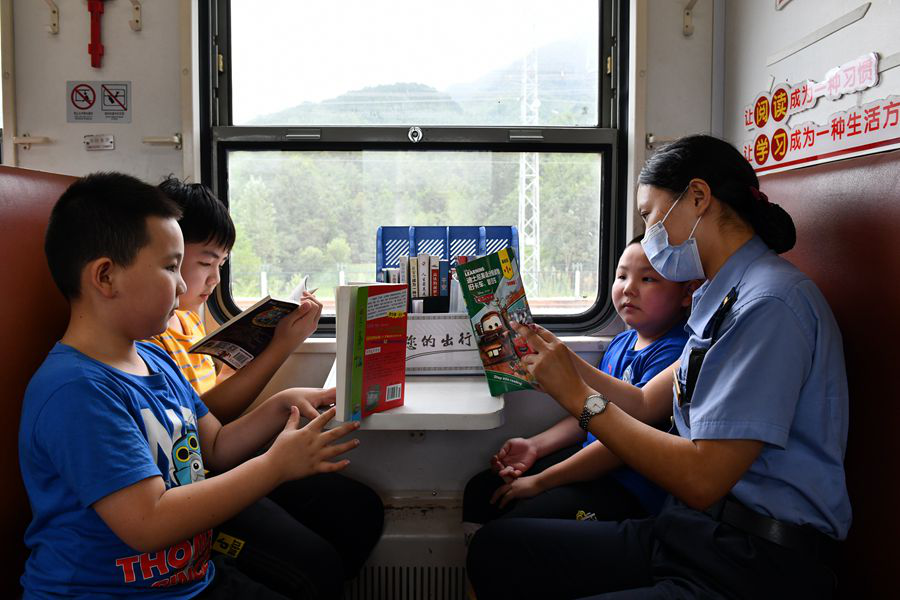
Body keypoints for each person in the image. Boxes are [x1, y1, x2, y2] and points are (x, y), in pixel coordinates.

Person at [467, 135, 851, 600]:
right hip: (691, 529)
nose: (649, 234)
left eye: (649, 216)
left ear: (698, 197)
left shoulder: (768, 305)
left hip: (750, 560)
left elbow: (703, 478)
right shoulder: (723, 297)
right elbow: (645, 402)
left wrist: (575, 395)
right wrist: (562, 359)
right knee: (496, 549)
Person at [18, 172, 360, 599]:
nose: (182, 284)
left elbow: (214, 445)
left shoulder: (156, 360)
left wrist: (283, 405)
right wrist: (275, 466)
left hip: (190, 580)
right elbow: (148, 523)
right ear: (105, 277)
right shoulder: (77, 391)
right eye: (169, 267)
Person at [145, 177, 384, 597]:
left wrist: (281, 393)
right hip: (201, 478)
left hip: (217, 457)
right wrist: (280, 347)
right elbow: (211, 425)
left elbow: (207, 415)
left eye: (222, 266)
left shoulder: (185, 320)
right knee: (314, 566)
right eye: (205, 263)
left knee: (359, 511)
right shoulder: (148, 339)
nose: (214, 280)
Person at [462, 236, 695, 531]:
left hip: (626, 485)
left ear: (687, 293)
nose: (628, 289)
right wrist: (535, 446)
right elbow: (592, 411)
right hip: (591, 463)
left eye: (647, 279)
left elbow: (620, 445)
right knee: (482, 490)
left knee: (511, 525)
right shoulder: (621, 343)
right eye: (622, 276)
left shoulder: (674, 354)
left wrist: (541, 481)